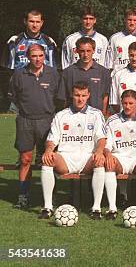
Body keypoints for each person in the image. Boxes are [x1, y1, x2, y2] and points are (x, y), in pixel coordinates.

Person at [39, 81, 107, 219]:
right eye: (77, 95)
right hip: (66, 158)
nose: (80, 99)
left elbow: (101, 138)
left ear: (88, 95)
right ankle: (47, 207)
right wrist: (49, 150)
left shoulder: (96, 114)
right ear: (72, 95)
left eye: (83, 95)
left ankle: (96, 208)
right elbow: (52, 139)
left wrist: (99, 151)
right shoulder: (61, 115)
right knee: (48, 160)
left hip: (87, 158)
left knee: (99, 161)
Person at [8, 44, 60, 209]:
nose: (37, 59)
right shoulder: (19, 74)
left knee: (49, 159)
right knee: (25, 159)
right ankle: (23, 196)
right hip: (25, 121)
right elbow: (15, 97)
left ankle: (51, 197)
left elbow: (59, 98)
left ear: (44, 56)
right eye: (34, 56)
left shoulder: (53, 73)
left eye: (40, 56)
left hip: (47, 121)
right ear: (28, 57)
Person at [103, 90, 136, 219]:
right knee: (109, 164)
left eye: (131, 103)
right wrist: (108, 155)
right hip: (119, 157)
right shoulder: (112, 121)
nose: (127, 106)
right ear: (121, 103)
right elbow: (106, 146)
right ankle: (112, 208)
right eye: (125, 103)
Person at [58, 37, 111, 116]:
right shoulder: (68, 72)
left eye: (88, 51)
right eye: (82, 51)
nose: (85, 54)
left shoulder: (103, 72)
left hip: (95, 117)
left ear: (94, 51)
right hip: (73, 116)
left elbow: (105, 97)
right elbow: (63, 99)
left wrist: (102, 116)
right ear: (77, 51)